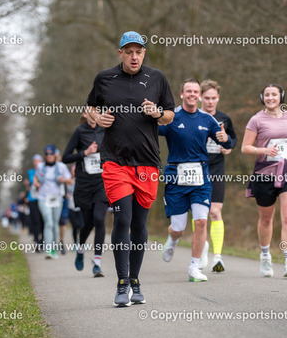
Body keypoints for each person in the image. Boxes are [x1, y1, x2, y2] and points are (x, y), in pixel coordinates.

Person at [86, 31, 175, 306]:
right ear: (120, 53)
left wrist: (157, 113)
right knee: (122, 219)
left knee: (138, 224)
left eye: (138, 52)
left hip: (147, 161)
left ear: (144, 53)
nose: (134, 57)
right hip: (115, 161)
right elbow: (90, 106)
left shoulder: (157, 78)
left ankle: (135, 281)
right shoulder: (105, 78)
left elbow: (170, 115)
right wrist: (97, 117)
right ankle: (122, 282)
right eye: (129, 52)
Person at [159, 79, 231, 282]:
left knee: (201, 221)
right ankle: (172, 239)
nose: (192, 94)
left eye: (195, 91)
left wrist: (225, 139)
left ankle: (194, 267)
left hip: (201, 178)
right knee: (178, 228)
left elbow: (227, 142)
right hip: (176, 178)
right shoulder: (171, 117)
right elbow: (148, 132)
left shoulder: (207, 119)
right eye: (188, 91)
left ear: (199, 96)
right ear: (182, 94)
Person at [240, 84, 287, 277]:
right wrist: (263, 150)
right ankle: (265, 256)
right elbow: (245, 147)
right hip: (264, 174)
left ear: (281, 97)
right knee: (266, 219)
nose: (270, 98)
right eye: (267, 95)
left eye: (274, 94)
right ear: (262, 98)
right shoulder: (256, 120)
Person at [62, 112, 108, 277]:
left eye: (97, 111)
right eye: (91, 111)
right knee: (87, 223)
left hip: (102, 182)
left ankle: (97, 263)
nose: (94, 114)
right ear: (85, 114)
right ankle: (80, 249)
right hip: (84, 185)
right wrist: (85, 153)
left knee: (99, 219)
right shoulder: (80, 131)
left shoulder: (105, 130)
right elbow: (65, 157)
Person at [199, 79, 237, 272]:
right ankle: (201, 250)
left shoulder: (224, 119)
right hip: (196, 170)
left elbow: (233, 140)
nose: (210, 102)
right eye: (207, 98)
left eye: (214, 98)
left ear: (218, 98)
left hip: (217, 170)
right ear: (200, 98)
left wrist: (228, 147)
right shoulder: (194, 117)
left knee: (215, 212)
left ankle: (217, 257)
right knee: (200, 215)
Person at [35, 144, 72, 259]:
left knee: (55, 224)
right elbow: (36, 177)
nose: (49, 156)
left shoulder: (61, 167)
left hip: (57, 198)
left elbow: (70, 181)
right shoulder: (40, 166)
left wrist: (64, 180)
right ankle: (48, 250)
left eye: (51, 154)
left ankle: (54, 249)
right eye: (47, 154)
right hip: (43, 197)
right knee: (48, 222)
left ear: (55, 155)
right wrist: (36, 183)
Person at [27, 154, 45, 251]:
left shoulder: (45, 170)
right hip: (33, 199)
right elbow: (32, 181)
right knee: (36, 220)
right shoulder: (31, 172)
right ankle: (37, 241)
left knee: (43, 221)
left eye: (38, 161)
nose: (36, 163)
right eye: (35, 161)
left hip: (43, 198)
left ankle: (42, 241)